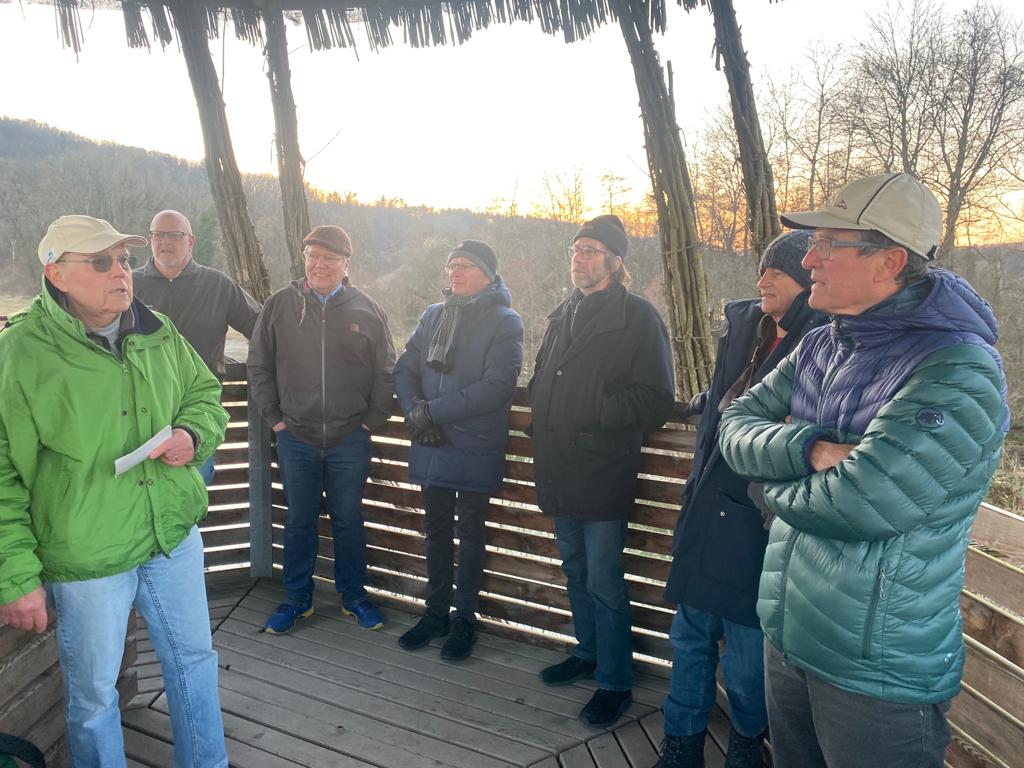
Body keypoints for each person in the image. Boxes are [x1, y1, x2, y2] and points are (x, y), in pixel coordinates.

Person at [717, 173, 1009, 768]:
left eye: (828, 244)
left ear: (890, 261)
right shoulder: (823, 343)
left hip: (875, 669)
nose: (809, 259)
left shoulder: (956, 368)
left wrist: (768, 489)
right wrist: (809, 449)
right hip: (788, 634)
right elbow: (734, 423)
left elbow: (863, 501)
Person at [0, 215, 229, 767]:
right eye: (100, 262)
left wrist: (191, 434)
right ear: (56, 274)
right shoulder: (21, 352)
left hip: (169, 533)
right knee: (95, 696)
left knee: (195, 662)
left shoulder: (157, 329)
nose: (120, 272)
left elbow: (204, 393)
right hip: (89, 553)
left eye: (123, 260)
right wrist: (15, 576)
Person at [656, 231, 824, 768]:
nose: (762, 279)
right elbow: (733, 400)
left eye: (777, 271)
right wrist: (706, 403)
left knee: (749, 660)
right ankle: (681, 743)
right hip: (707, 507)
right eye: (762, 269)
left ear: (807, 281)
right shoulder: (749, 331)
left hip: (758, 525)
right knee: (689, 638)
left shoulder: (824, 342)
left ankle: (749, 742)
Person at [528, 214, 675, 728]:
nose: (580, 258)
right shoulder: (562, 313)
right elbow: (543, 378)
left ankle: (615, 681)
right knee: (575, 570)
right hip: (558, 465)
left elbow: (656, 398)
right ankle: (588, 652)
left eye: (590, 250)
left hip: (603, 468)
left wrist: (594, 410)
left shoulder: (638, 317)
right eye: (576, 249)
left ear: (614, 261)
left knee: (605, 580)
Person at [247, 224, 396, 635]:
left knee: (348, 519)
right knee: (299, 520)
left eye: (330, 258)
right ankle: (297, 599)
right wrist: (276, 419)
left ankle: (354, 596)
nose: (320, 265)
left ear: (346, 264)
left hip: (350, 438)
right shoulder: (280, 305)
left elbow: (386, 370)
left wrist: (369, 421)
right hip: (296, 437)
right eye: (313, 257)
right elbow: (258, 365)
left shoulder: (367, 310)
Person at [394, 240, 524, 662]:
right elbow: (405, 368)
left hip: (473, 445)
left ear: (487, 273)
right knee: (435, 531)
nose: (455, 272)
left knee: (470, 535)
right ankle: (435, 613)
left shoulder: (505, 321)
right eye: (451, 265)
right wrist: (415, 413)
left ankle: (464, 619)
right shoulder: (433, 315)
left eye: (465, 265)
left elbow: (497, 386)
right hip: (431, 442)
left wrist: (432, 413)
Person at [133, 209, 261, 484]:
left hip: (197, 414)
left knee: (191, 491)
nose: (165, 241)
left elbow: (263, 330)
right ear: (150, 239)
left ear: (191, 241)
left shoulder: (217, 285)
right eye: (158, 235)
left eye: (174, 235)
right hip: (139, 413)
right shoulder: (129, 286)